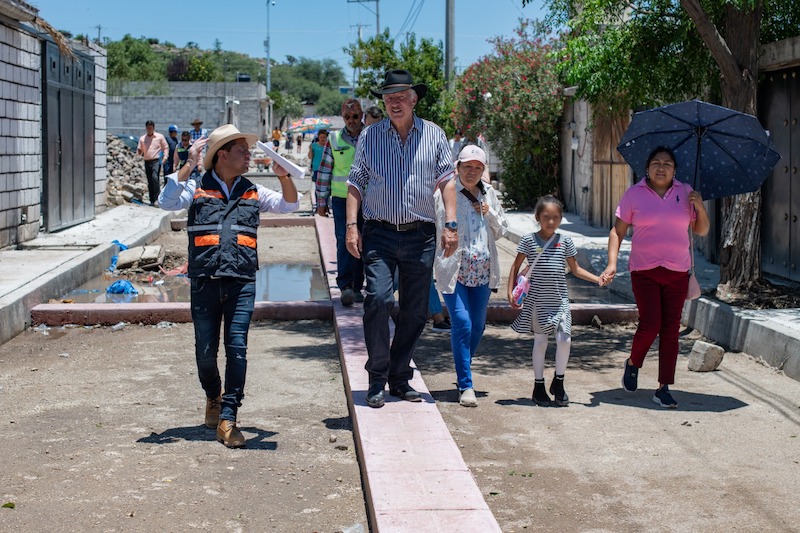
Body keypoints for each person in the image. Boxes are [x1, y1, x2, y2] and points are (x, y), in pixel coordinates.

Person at [158, 124, 300, 447]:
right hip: (205, 281)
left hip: (241, 282)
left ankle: (229, 416)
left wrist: (283, 175)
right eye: (242, 151)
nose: (249, 156)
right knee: (205, 354)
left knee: (237, 348)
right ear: (222, 155)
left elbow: (289, 204)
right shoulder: (195, 187)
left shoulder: (253, 191)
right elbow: (165, 201)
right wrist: (189, 163)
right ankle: (213, 395)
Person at [346, 69, 458, 409]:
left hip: (420, 235)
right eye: (388, 97)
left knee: (414, 311)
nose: (394, 103)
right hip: (378, 232)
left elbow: (447, 180)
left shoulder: (434, 135)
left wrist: (450, 223)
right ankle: (377, 378)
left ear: (414, 99)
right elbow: (355, 183)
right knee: (378, 300)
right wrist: (352, 226)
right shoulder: (370, 136)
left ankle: (399, 377)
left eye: (400, 97)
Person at [601, 147, 710, 409]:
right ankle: (633, 362)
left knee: (671, 330)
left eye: (668, 164)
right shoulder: (633, 194)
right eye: (656, 163)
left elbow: (702, 230)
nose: (661, 168)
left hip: (677, 272)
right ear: (647, 168)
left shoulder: (686, 192)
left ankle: (664, 388)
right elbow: (617, 231)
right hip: (644, 271)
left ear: (675, 170)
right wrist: (612, 263)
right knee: (651, 324)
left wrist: (700, 207)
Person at [508, 195, 602, 407]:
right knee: (540, 342)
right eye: (546, 217)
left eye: (556, 217)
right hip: (538, 301)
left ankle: (558, 382)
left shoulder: (565, 241)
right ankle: (538, 385)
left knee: (564, 340)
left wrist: (598, 279)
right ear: (537, 217)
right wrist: (510, 291)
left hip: (560, 301)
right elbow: (516, 266)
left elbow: (575, 269)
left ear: (561, 219)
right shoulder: (529, 240)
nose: (551, 221)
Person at [434, 145, 507, 407]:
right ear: (458, 166)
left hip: (483, 272)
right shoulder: (445, 191)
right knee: (462, 323)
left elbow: (501, 231)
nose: (472, 171)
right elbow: (434, 226)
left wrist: (491, 214)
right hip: (453, 270)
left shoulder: (489, 193)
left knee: (477, 327)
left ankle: (463, 365)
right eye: (468, 166)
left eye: (478, 168)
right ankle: (466, 384)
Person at [316, 100, 365, 307]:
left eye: (355, 116)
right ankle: (346, 285)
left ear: (361, 115)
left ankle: (358, 287)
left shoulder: (372, 136)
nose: (352, 121)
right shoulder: (334, 139)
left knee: (366, 241)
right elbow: (325, 170)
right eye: (347, 117)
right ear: (342, 117)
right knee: (344, 240)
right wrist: (321, 200)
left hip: (369, 200)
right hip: (341, 199)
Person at [136, 120, 168, 206]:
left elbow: (165, 147)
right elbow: (139, 149)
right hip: (147, 161)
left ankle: (157, 198)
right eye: (148, 128)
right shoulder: (143, 138)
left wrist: (165, 157)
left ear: (153, 128)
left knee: (155, 177)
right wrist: (139, 152)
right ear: (146, 128)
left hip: (156, 161)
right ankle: (152, 200)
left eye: (151, 128)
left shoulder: (159, 137)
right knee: (150, 180)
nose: (149, 129)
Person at [307, 130, 328, 210]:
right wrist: (310, 150)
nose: (322, 139)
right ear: (318, 137)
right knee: (317, 188)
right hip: (316, 169)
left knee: (327, 189)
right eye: (321, 137)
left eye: (324, 137)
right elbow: (310, 157)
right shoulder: (314, 146)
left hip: (327, 169)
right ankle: (318, 205)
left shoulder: (328, 146)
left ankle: (326, 205)